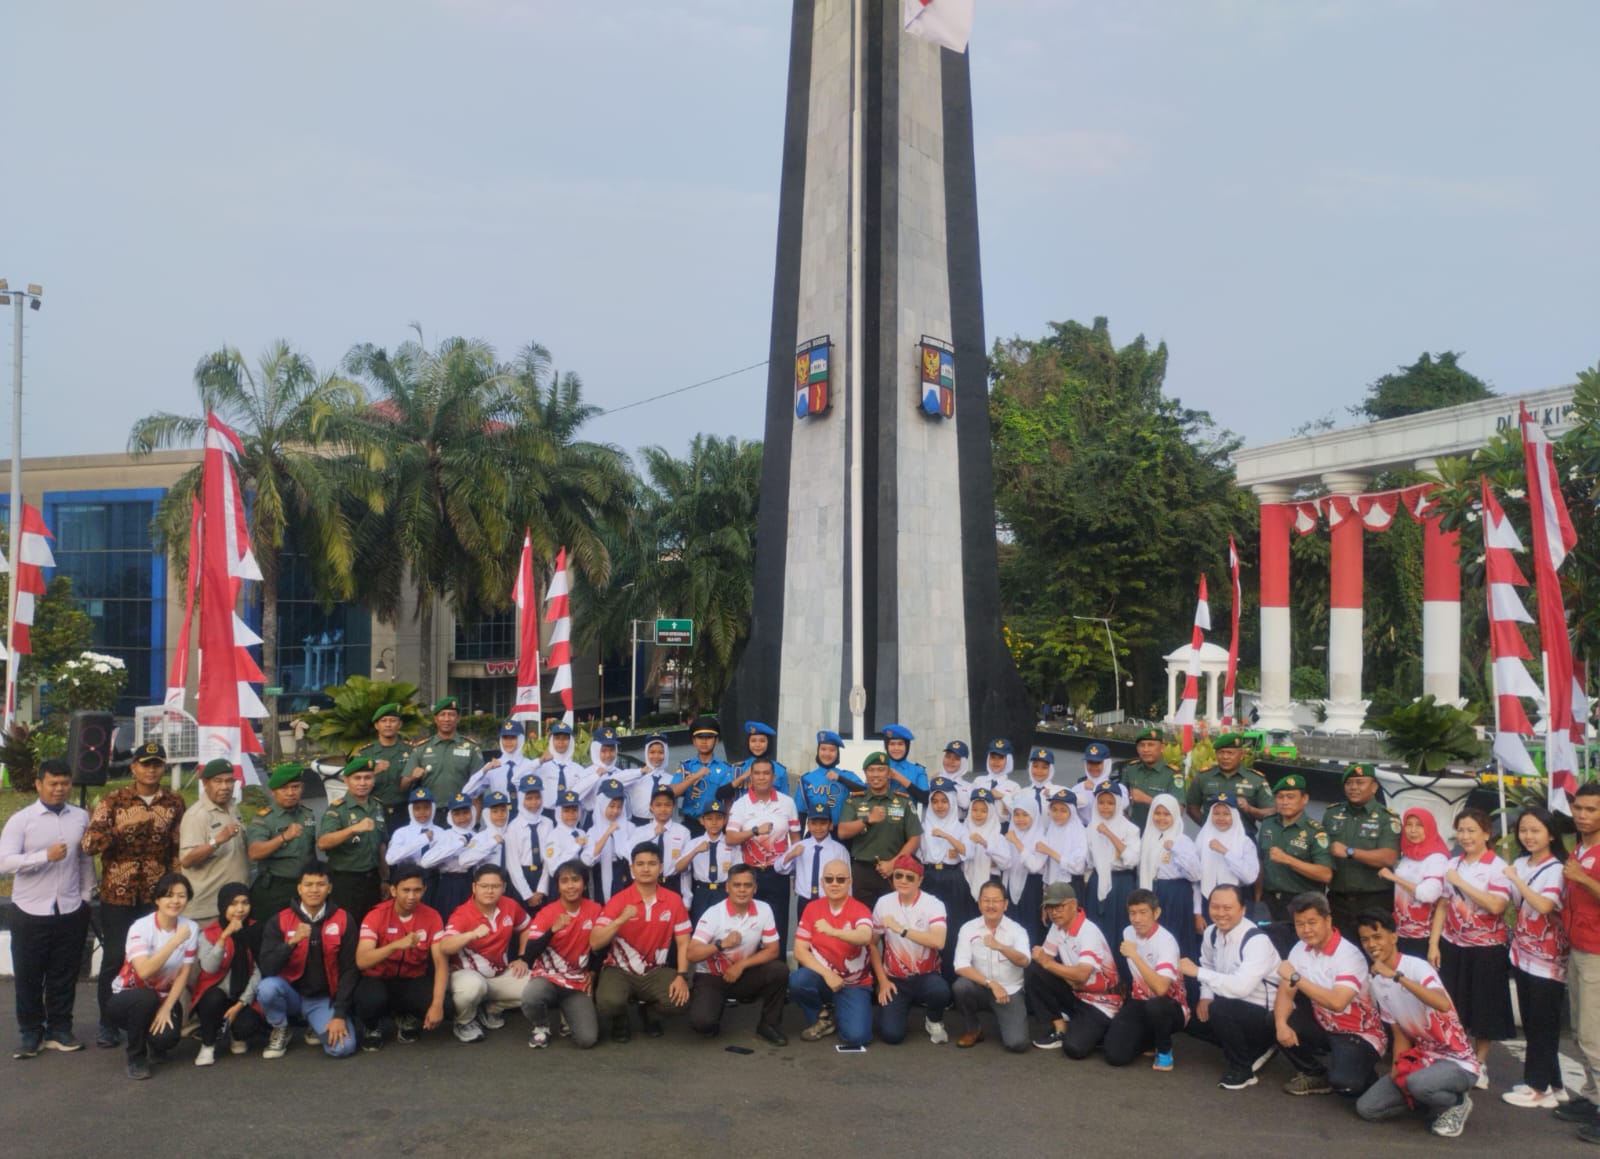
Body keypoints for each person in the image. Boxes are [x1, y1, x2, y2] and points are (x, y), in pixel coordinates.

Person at [83, 739, 186, 1050]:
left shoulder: (174, 803)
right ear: (133, 768)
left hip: (155, 895)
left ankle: (145, 1019)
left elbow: (177, 848)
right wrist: (120, 828)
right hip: (119, 893)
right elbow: (89, 844)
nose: (151, 770)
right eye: (145, 764)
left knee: (154, 958)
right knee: (115, 958)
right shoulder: (114, 801)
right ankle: (108, 1022)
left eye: (157, 764)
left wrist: (175, 888)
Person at [1354, 909, 1479, 1138]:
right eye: (1365, 939)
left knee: (1417, 1084)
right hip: (1423, 1061)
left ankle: (1457, 1102)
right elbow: (1399, 1032)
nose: (1371, 944)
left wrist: (1397, 976)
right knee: (1367, 1108)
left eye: (1377, 937)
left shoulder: (1416, 967)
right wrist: (1396, 1069)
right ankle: (1427, 1100)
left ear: (1394, 937)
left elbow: (1441, 1003)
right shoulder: (1377, 982)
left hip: (1457, 1062)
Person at [2, 759, 95, 1058]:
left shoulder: (80, 817)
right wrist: (44, 856)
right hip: (30, 910)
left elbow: (85, 860)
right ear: (39, 784)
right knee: (29, 975)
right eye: (53, 783)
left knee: (64, 974)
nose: (59, 789)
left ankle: (59, 1029)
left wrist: (84, 897)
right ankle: (31, 1033)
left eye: (65, 783)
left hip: (69, 908)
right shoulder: (22, 820)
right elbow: (5, 863)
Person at [1430, 806, 1513, 1086]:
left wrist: (1461, 883)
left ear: (1486, 834)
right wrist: (1434, 943)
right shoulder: (1452, 865)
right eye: (1461, 830)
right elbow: (1442, 905)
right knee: (1455, 1004)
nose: (1465, 836)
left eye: (1472, 831)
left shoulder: (1497, 867)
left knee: (1484, 1006)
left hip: (1487, 948)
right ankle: (1459, 1055)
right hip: (1454, 944)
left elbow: (1496, 905)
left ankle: (1481, 1062)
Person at [1273, 892, 1383, 1097]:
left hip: (1357, 1032)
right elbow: (1285, 993)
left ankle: (1363, 1072)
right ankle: (1314, 1074)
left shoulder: (1349, 955)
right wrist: (1280, 1025)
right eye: (1300, 924)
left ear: (1328, 920)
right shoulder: (1300, 948)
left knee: (1347, 1085)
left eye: (1312, 922)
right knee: (1278, 1020)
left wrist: (1296, 978)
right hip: (1322, 1021)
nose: (1306, 930)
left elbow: (1338, 1002)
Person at [1180, 883, 1284, 1090]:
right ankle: (1251, 1047)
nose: (1220, 914)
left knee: (1220, 1010)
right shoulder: (1211, 933)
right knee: (1190, 1017)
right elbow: (1207, 963)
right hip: (1232, 1004)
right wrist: (1206, 996)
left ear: (1242, 909)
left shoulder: (1256, 940)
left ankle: (1243, 1069)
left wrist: (1198, 973)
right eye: (1215, 907)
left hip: (1264, 1013)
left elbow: (1241, 988)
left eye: (1227, 908)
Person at [1500, 807, 1569, 1109]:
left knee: (1543, 1024)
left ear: (1551, 834)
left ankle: (1537, 1087)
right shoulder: (1519, 862)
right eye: (1524, 830)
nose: (1528, 836)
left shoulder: (1556, 868)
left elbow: (1543, 905)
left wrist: (1516, 879)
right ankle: (1555, 1084)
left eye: (1535, 830)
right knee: (1532, 1021)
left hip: (1548, 959)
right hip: (1524, 953)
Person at [257, 862, 360, 1060]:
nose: (314, 890)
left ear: (329, 888)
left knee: (343, 1048)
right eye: (308, 884)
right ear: (299, 888)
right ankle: (281, 1028)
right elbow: (267, 967)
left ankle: (315, 1024)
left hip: (322, 1000)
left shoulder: (343, 919)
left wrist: (339, 1015)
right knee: (267, 988)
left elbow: (350, 970)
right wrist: (291, 943)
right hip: (290, 994)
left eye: (320, 884)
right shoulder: (279, 920)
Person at [591, 843, 693, 1042]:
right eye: (640, 864)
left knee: (681, 1001)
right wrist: (620, 919)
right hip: (619, 970)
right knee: (608, 1002)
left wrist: (681, 976)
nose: (646, 869)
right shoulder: (618, 900)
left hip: (656, 970)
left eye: (652, 864)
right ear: (632, 869)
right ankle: (620, 1019)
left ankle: (649, 1014)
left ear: (660, 867)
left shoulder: (673, 900)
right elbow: (595, 942)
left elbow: (683, 943)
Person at [103, 871, 198, 1079]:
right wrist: (174, 942)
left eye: (181, 896)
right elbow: (144, 970)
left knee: (167, 1038)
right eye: (169, 895)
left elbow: (184, 973)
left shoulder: (190, 927)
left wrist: (167, 1008)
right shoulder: (141, 927)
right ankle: (135, 1057)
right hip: (128, 998)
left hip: (162, 997)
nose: (175, 901)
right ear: (157, 899)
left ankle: (155, 1044)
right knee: (145, 998)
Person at [687, 863, 789, 1045]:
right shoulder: (713, 914)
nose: (742, 890)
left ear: (755, 888)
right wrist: (720, 944)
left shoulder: (764, 909)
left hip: (743, 972)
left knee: (779, 970)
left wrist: (740, 966)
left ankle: (768, 1025)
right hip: (712, 976)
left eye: (747, 885)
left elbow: (773, 950)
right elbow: (692, 954)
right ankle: (713, 1011)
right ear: (727, 887)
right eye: (736, 885)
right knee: (702, 1024)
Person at [353, 863, 447, 1049]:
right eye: (406, 890)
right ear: (393, 890)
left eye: (417, 890)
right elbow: (362, 961)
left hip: (411, 979)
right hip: (378, 978)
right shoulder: (376, 916)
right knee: (369, 1000)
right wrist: (395, 945)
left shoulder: (432, 916)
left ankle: (408, 1018)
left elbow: (440, 963)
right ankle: (372, 1026)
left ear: (424, 889)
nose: (412, 896)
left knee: (447, 1003)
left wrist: (437, 1004)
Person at [1023, 881, 1121, 1057]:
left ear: (1074, 905)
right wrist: (1046, 962)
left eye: (1059, 906)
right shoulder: (1057, 926)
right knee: (1033, 971)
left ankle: (1103, 1029)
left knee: (1075, 1049)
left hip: (1101, 1001)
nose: (1054, 912)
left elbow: (1082, 974)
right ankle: (1060, 1027)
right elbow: (1043, 960)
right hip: (1076, 992)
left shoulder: (1089, 931)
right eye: (1050, 907)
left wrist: (1048, 963)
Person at [436, 863, 531, 1043]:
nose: (489, 891)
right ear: (474, 887)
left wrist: (522, 957)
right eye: (484, 886)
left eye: (495, 886)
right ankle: (464, 1020)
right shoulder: (462, 914)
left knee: (537, 985)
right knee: (473, 987)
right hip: (465, 976)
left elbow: (528, 928)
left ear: (504, 887)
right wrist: (471, 934)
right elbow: (445, 946)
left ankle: (491, 1008)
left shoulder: (510, 905)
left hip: (498, 975)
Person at [521, 859, 604, 1049]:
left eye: (575, 880)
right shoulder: (547, 913)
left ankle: (568, 1014)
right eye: (564, 881)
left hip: (576, 982)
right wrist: (552, 930)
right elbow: (529, 954)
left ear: (584, 884)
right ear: (558, 886)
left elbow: (602, 947)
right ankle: (541, 1026)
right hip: (548, 978)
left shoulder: (595, 910)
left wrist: (592, 973)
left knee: (587, 1039)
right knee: (532, 995)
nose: (570, 885)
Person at [791, 859, 875, 1047]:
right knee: (798, 980)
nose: (835, 884)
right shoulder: (812, 908)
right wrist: (828, 974)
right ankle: (823, 1018)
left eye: (840, 879)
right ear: (822, 882)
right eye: (829, 879)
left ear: (849, 882)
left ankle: (841, 1011)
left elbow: (864, 936)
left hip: (854, 983)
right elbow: (799, 950)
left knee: (856, 1038)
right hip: (824, 978)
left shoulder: (859, 909)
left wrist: (833, 931)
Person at [871, 855, 951, 1045]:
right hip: (895, 979)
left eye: (910, 877)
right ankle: (900, 1007)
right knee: (892, 1035)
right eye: (898, 876)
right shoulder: (883, 902)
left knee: (940, 991)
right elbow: (871, 943)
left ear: (920, 880)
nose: (903, 881)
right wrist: (882, 981)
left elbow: (939, 942)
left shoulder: (934, 904)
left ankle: (933, 1020)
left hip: (927, 975)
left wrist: (902, 930)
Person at [1107, 888, 1189, 1070]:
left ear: (1156, 913)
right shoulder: (1128, 932)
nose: (1137, 919)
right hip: (1140, 1001)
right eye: (1132, 913)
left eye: (1143, 912)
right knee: (1115, 1055)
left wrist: (1135, 956)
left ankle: (1164, 1049)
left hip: (1170, 1006)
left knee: (1156, 1005)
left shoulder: (1166, 941)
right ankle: (1149, 1038)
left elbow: (1161, 988)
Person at [1559, 782, 1600, 1144]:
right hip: (1578, 947)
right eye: (1579, 808)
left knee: (1593, 1035)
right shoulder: (1582, 847)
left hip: (1597, 953)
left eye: (1591, 810)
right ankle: (1592, 1099)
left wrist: (1582, 878)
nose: (1583, 815)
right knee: (1578, 1030)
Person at [726, 756, 799, 953]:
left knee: (778, 926)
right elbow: (730, 838)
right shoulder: (740, 804)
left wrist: (796, 871)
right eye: (757, 773)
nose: (762, 777)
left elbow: (796, 839)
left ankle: (778, 976)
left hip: (778, 874)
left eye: (766, 773)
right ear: (751, 777)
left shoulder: (787, 803)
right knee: (750, 928)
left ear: (774, 777)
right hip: (750, 874)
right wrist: (755, 831)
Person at [190, 882, 266, 1065]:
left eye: (245, 902)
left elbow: (260, 971)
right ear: (223, 905)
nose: (240, 909)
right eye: (233, 904)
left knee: (247, 1026)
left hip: (245, 995)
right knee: (213, 998)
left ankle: (236, 1034)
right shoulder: (209, 933)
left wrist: (240, 1004)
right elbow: (209, 968)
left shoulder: (257, 929)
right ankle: (208, 1045)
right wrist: (224, 937)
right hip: (216, 993)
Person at [1322, 764, 1401, 941]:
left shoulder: (1386, 817)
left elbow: (1389, 857)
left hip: (1374, 899)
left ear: (1374, 787)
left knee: (1375, 951)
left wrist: (1350, 852)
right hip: (1338, 899)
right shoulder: (1332, 813)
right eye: (1349, 783)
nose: (1354, 788)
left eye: (1360, 782)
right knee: (1339, 950)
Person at [952, 879, 1031, 1052]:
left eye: (996, 901)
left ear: (1005, 904)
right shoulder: (968, 928)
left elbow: (1024, 961)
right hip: (981, 987)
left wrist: (1001, 947)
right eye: (986, 900)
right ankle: (974, 1030)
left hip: (1009, 991)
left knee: (1017, 1044)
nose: (991, 905)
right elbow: (960, 966)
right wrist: (991, 984)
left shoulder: (1017, 930)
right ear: (979, 904)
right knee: (961, 987)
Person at [837, 751, 922, 908]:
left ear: (889, 773)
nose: (876, 775)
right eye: (871, 770)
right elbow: (842, 832)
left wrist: (893, 864)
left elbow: (915, 838)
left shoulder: (903, 802)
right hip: (862, 871)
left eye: (881, 770)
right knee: (863, 921)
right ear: (865, 773)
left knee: (892, 921)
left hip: (893, 872)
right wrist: (867, 819)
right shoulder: (854, 800)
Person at [177, 758, 249, 927]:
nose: (225, 787)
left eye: (229, 781)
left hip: (234, 907)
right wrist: (217, 840)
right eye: (218, 781)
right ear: (205, 783)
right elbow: (187, 860)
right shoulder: (197, 815)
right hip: (208, 910)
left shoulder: (232, 807)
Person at [317, 756, 388, 922]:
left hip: (373, 880)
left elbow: (381, 845)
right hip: (346, 882)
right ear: (346, 780)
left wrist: (385, 878)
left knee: (373, 926)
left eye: (367, 777)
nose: (362, 783)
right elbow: (322, 842)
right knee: (348, 929)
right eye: (357, 778)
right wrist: (352, 829)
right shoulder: (337, 809)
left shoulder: (377, 806)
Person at [243, 763, 316, 922]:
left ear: (302, 788)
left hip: (304, 888)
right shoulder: (264, 818)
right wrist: (283, 838)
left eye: (295, 787)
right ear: (273, 791)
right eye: (284, 788)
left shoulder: (307, 815)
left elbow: (312, 852)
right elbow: (254, 852)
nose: (290, 793)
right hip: (275, 889)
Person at [1256, 774, 1333, 922]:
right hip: (1269, 900)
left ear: (1304, 799)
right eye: (1280, 797)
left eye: (1290, 797)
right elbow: (1261, 861)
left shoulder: (1315, 831)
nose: (1284, 802)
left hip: (1302, 903)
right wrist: (1258, 897)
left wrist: (1288, 860)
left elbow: (1325, 874)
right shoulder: (1268, 823)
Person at [1138, 794, 1201, 963]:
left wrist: (1175, 849)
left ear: (1174, 815)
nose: (1161, 818)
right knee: (1154, 941)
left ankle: (1179, 984)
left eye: (1167, 814)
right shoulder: (1148, 838)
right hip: (1154, 893)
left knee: (1174, 939)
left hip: (1176, 895)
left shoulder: (1182, 840)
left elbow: (1195, 874)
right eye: (1157, 813)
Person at [1378, 807, 1449, 959]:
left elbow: (1429, 894)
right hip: (1402, 933)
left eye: (1419, 825)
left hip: (1425, 937)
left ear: (1429, 828)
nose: (1413, 830)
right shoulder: (1407, 855)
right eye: (1409, 825)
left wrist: (1394, 878)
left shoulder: (1437, 858)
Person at [919, 777, 971, 979]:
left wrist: (948, 836)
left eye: (944, 801)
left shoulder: (961, 827)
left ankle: (951, 980)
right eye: (935, 801)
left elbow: (967, 853)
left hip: (952, 878)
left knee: (952, 929)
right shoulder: (923, 826)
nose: (939, 806)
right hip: (929, 877)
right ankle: (928, 980)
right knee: (927, 927)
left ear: (952, 802)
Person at [420, 792, 493, 916]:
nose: (462, 818)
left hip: (472, 881)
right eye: (457, 814)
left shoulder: (478, 836)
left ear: (473, 812)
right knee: (450, 918)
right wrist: (457, 844)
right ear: (450, 816)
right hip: (450, 883)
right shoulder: (445, 835)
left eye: (466, 812)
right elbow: (426, 862)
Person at [1083, 785, 1140, 944]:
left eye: (1110, 802)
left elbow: (1131, 860)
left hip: (1121, 883)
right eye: (1101, 802)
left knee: (1120, 926)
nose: (1105, 807)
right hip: (1097, 881)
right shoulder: (1090, 828)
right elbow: (1087, 862)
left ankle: (1120, 966)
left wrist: (1109, 833)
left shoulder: (1130, 829)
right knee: (1097, 926)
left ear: (1118, 804)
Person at [402, 696, 481, 808]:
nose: (447, 719)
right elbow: (403, 786)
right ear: (435, 719)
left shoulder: (471, 748)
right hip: (430, 812)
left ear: (458, 718)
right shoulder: (421, 749)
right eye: (442, 714)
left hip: (461, 812)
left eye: (451, 715)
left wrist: (476, 823)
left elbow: (479, 788)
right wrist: (412, 778)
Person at [1185, 733, 1273, 829]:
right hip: (1211, 838)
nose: (1225, 757)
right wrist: (1206, 826)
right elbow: (1191, 807)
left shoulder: (1255, 779)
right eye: (1221, 752)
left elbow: (1270, 813)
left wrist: (1250, 809)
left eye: (1230, 753)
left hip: (1244, 839)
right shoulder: (1204, 777)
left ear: (1241, 755)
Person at [778, 801, 849, 919]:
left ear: (830, 825)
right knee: (803, 936)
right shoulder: (799, 846)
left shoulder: (839, 850)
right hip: (804, 902)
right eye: (814, 823)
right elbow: (778, 867)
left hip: (830, 901)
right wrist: (791, 855)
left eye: (823, 823)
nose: (818, 828)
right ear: (808, 825)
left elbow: (847, 880)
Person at [1196, 792, 1259, 922]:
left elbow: (1250, 877)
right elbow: (1195, 878)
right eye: (1216, 813)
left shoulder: (1245, 842)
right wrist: (1197, 912)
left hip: (1235, 901)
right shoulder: (1202, 838)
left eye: (1226, 814)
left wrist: (1225, 852)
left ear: (1234, 816)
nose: (1221, 818)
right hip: (1206, 902)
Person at [358, 701, 415, 834]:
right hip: (374, 811)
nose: (388, 724)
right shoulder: (366, 753)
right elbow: (353, 784)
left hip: (404, 811)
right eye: (383, 721)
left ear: (399, 724)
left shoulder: (411, 751)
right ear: (376, 725)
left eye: (393, 720)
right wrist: (373, 772)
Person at [999, 801, 1047, 947]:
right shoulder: (1008, 836)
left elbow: (1034, 866)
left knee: (1030, 930)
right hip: (1009, 886)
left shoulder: (1041, 838)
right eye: (1017, 815)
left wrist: (1017, 842)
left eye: (1025, 815)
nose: (1020, 819)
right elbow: (1004, 864)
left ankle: (1031, 967)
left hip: (1031, 889)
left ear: (1034, 816)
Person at [632, 785, 693, 898]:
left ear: (674, 806)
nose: (663, 809)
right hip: (647, 885)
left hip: (672, 884)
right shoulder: (641, 832)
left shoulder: (683, 832)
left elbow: (685, 870)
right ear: (651, 807)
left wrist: (687, 897)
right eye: (658, 805)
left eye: (667, 805)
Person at [680, 798, 737, 921]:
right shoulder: (693, 843)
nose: (714, 822)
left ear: (725, 820)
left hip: (724, 892)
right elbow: (681, 869)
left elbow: (738, 872)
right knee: (700, 929)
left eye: (718, 818)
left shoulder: (732, 844)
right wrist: (695, 851)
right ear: (702, 821)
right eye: (709, 818)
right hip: (701, 892)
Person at [676, 716, 735, 830]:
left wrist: (727, 821)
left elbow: (728, 798)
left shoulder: (726, 768)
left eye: (709, 737)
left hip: (716, 824)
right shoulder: (686, 766)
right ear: (694, 741)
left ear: (716, 740)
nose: (704, 741)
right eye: (699, 737)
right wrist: (695, 777)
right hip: (691, 823)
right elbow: (674, 792)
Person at [793, 729, 863, 825]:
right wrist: (799, 840)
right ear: (818, 751)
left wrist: (840, 778)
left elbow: (864, 790)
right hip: (816, 834)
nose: (827, 754)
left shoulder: (846, 775)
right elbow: (801, 813)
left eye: (832, 750)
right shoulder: (806, 779)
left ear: (837, 753)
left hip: (842, 835)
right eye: (823, 749)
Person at [463, 720, 538, 807]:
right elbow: (467, 792)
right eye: (505, 738)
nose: (508, 742)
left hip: (525, 816)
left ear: (520, 739)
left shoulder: (530, 765)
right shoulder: (493, 766)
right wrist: (485, 769)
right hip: (501, 816)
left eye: (513, 737)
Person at [1120, 727, 1185, 828]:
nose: (1146, 749)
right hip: (1134, 831)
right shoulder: (1131, 769)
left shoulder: (1172, 774)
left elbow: (1179, 810)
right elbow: (1120, 799)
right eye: (1142, 745)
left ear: (1162, 748)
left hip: (1160, 832)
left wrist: (1147, 799)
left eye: (1151, 745)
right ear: (1137, 748)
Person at [506, 775, 553, 914]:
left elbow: (549, 858)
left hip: (544, 875)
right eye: (529, 798)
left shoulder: (548, 823)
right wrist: (527, 894)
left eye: (537, 797)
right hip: (522, 879)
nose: (534, 802)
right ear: (521, 799)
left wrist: (541, 890)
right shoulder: (513, 827)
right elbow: (513, 864)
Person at [581, 779, 634, 900]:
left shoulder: (629, 828)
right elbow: (588, 860)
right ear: (602, 804)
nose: (615, 811)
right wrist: (607, 833)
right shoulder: (593, 831)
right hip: (600, 874)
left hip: (624, 872)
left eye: (619, 807)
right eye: (611, 806)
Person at [962, 788, 1012, 905]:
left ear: (990, 812)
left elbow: (1006, 863)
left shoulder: (997, 836)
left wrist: (985, 844)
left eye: (983, 811)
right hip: (966, 882)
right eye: (974, 810)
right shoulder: (963, 831)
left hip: (991, 884)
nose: (978, 814)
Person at [538, 789, 590, 898]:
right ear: (558, 812)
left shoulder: (582, 833)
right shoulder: (554, 836)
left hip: (580, 884)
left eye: (574, 810)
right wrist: (576, 847)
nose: (571, 814)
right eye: (566, 811)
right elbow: (553, 868)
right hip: (562, 887)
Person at [535, 722, 591, 813]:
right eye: (557, 738)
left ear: (571, 741)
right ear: (552, 741)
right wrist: (539, 761)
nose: (561, 742)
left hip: (570, 814)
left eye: (565, 738)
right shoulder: (542, 767)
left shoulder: (578, 769)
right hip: (547, 814)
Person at [1072, 743, 1128, 824]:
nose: (1093, 766)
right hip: (1083, 832)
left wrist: (1096, 788)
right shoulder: (1077, 788)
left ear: (1106, 764)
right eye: (1090, 762)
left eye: (1097, 763)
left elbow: (1123, 804)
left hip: (1109, 831)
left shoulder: (1119, 788)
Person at [629, 731, 676, 821]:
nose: (656, 756)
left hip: (663, 823)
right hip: (639, 822)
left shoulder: (671, 779)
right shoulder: (637, 776)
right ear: (646, 753)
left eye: (661, 752)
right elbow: (615, 780)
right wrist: (640, 771)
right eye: (652, 752)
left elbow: (675, 807)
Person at [731, 720, 787, 795]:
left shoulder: (780, 770)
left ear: (769, 743)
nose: (757, 745)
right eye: (753, 741)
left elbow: (785, 799)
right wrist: (742, 777)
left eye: (762, 741)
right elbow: (726, 797)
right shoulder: (738, 769)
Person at [880, 724, 930, 802]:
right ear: (886, 747)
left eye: (900, 744)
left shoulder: (917, 770)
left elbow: (925, 798)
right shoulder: (879, 767)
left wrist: (899, 778)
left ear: (907, 747)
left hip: (908, 814)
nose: (896, 748)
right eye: (892, 744)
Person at [971, 739, 1019, 820]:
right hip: (978, 826)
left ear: (1008, 760)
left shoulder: (1014, 787)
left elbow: (1018, 813)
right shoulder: (978, 781)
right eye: (992, 757)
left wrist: (1003, 797)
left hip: (1002, 828)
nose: (996, 761)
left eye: (1001, 758)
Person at [1018, 746, 1064, 821]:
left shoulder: (1058, 790)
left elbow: (1083, 801)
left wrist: (1056, 795)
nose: (1039, 771)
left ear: (1051, 770)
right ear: (1030, 768)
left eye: (1044, 767)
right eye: (1035, 766)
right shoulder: (1023, 792)